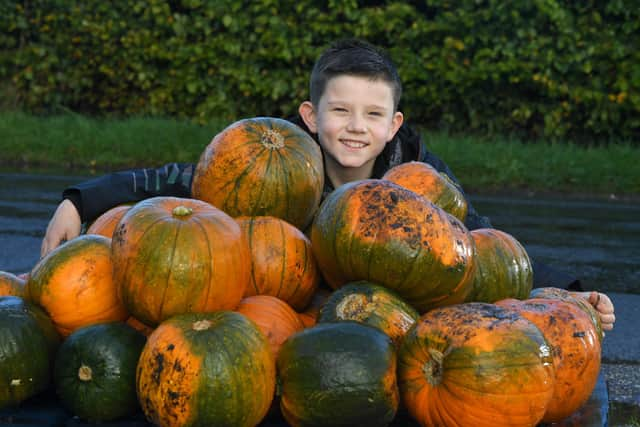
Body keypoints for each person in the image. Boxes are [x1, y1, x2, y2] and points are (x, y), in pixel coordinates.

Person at [40, 38, 615, 331]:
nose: (355, 128)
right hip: (288, 301)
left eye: (372, 115)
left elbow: (481, 242)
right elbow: (178, 183)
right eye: (340, 111)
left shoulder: (417, 175)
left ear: (394, 125)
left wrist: (561, 290)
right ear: (310, 116)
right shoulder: (275, 162)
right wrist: (80, 200)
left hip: (377, 313)